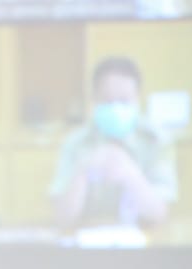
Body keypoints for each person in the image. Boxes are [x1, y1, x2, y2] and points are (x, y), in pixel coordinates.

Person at [50, 57, 177, 229]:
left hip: (143, 244)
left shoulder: (156, 140)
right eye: (108, 101)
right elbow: (62, 219)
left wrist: (131, 175)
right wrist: (82, 171)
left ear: (138, 99)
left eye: (124, 101)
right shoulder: (76, 143)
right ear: (94, 101)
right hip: (87, 245)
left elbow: (158, 215)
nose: (116, 109)